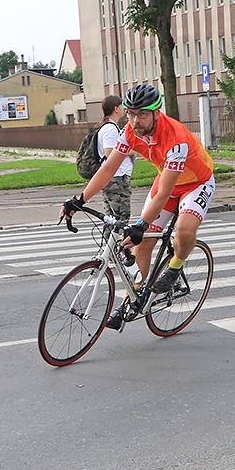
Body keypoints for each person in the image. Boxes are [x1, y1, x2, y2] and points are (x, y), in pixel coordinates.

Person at [60, 83, 215, 329]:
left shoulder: (176, 139)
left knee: (184, 230)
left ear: (157, 112)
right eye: (131, 113)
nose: (135, 119)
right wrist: (79, 200)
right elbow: (108, 168)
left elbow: (163, 194)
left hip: (196, 183)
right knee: (142, 245)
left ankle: (174, 268)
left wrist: (141, 224)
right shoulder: (129, 132)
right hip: (167, 181)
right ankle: (134, 296)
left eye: (142, 114)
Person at [96, 95, 133, 224]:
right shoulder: (110, 128)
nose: (124, 108)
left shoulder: (108, 126)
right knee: (121, 218)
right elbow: (110, 153)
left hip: (113, 178)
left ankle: (110, 244)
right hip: (116, 178)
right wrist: (132, 150)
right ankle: (118, 243)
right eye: (121, 106)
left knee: (110, 218)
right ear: (116, 109)